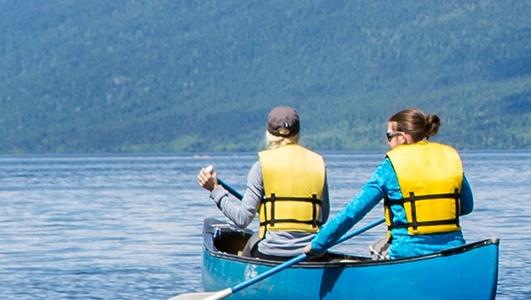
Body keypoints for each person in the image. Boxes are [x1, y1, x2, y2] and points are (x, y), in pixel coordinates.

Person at [313, 108, 472, 259]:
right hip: (454, 249)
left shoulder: (391, 166)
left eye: (389, 136)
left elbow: (354, 211)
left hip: (408, 253)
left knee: (378, 247)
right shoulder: (448, 158)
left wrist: (318, 244)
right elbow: (467, 206)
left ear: (402, 137)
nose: (388, 142)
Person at [197, 105, 325, 259]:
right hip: (310, 253)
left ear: (269, 134)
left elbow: (242, 219)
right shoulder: (318, 164)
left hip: (271, 253)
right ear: (298, 133)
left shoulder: (261, 167)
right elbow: (323, 216)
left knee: (253, 240)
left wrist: (215, 190)